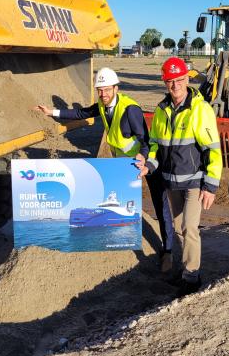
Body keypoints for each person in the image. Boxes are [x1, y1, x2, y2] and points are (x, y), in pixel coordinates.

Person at [37, 67, 174, 264]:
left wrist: (144, 159)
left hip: (147, 161)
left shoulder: (130, 109)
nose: (103, 94)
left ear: (116, 88)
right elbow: (81, 112)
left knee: (160, 205)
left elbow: (146, 140)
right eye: (100, 90)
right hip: (124, 165)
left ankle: (167, 250)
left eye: (107, 89)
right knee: (121, 203)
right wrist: (52, 112)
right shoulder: (102, 104)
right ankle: (120, 246)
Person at [138, 57, 222, 296]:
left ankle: (192, 277)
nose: (175, 85)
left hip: (195, 181)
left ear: (187, 78)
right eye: (170, 81)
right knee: (176, 226)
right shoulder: (162, 110)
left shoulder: (200, 109)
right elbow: (155, 145)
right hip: (171, 181)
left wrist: (211, 186)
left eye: (179, 80)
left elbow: (212, 149)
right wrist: (149, 166)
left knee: (189, 226)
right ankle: (183, 269)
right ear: (165, 83)